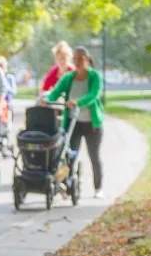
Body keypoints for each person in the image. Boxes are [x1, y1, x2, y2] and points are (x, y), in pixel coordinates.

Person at [42, 45, 105, 199]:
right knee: (68, 155)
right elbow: (56, 91)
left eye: (81, 59)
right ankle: (68, 185)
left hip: (91, 124)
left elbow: (93, 95)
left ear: (87, 60)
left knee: (94, 156)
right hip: (73, 123)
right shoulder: (68, 78)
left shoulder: (94, 77)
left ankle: (98, 188)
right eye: (75, 59)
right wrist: (47, 99)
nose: (77, 62)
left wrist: (77, 102)